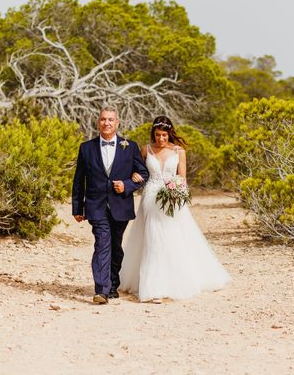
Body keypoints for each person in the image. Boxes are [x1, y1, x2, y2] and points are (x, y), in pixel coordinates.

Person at [119, 116, 231, 302]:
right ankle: (154, 287)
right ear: (153, 134)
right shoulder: (146, 149)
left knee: (173, 238)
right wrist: (135, 176)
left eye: (164, 135)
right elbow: (138, 171)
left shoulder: (179, 151)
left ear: (169, 133)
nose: (161, 139)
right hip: (150, 197)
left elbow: (182, 178)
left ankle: (175, 280)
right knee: (153, 240)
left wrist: (177, 192)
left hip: (172, 199)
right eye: (157, 135)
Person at [72, 107, 149, 304]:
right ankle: (101, 290)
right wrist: (77, 208)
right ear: (98, 122)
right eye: (103, 119)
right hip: (95, 206)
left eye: (110, 120)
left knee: (115, 246)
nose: (107, 123)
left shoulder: (130, 147)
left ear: (117, 123)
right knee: (102, 244)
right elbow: (79, 180)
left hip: (120, 205)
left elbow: (144, 174)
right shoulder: (86, 148)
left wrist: (127, 185)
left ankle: (113, 284)